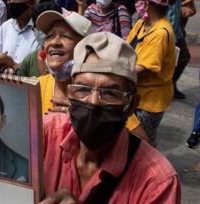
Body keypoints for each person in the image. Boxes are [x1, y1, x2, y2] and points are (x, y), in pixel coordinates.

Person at [40, 31, 181, 203]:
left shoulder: (156, 182)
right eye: (82, 90)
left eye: (110, 93)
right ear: (70, 94)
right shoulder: (44, 135)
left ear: (131, 105)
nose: (93, 102)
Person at [36, 10, 148, 141]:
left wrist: (89, 122)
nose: (55, 42)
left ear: (86, 47)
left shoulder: (100, 93)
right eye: (50, 36)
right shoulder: (35, 86)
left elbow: (142, 141)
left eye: (65, 36)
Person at [126, 0, 175, 146]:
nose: (138, 3)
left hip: (149, 100)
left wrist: (114, 73)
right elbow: (126, 48)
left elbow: (144, 68)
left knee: (141, 141)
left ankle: (149, 166)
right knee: (128, 138)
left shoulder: (161, 33)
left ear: (149, 5)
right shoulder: (141, 24)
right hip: (135, 93)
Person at [0, 0, 40, 64]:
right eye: (10, 0)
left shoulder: (40, 32)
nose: (11, 2)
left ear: (30, 3)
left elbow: (39, 67)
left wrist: (12, 64)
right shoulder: (5, 27)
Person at [168, 0, 191, 99]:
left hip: (177, 31)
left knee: (184, 57)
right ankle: (167, 88)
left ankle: (171, 85)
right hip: (167, 31)